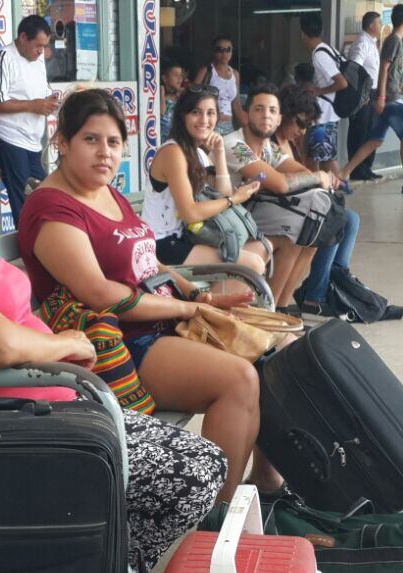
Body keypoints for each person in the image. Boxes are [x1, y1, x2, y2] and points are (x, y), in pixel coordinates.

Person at [0, 93, 225, 573]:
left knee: (203, 460)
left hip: (43, 405)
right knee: (195, 473)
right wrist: (68, 344)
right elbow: (0, 345)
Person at [19, 89, 283, 502]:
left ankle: (266, 485)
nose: (104, 152)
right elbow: (100, 293)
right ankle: (217, 521)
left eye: (113, 142)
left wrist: (191, 288)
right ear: (63, 142)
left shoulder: (105, 190)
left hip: (156, 321)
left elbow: (145, 260)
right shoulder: (53, 207)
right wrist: (189, 306)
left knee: (274, 354)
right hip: (117, 344)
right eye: (90, 139)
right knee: (238, 380)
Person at [145, 85, 269, 273]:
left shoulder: (198, 153)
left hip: (189, 236)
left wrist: (218, 154)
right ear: (182, 116)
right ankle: (214, 302)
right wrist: (234, 199)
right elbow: (191, 213)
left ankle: (220, 301)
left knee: (262, 248)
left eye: (210, 113)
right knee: (252, 265)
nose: (204, 120)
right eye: (196, 112)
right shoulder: (173, 152)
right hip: (163, 244)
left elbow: (222, 194)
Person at [222, 86, 325, 305]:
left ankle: (282, 307)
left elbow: (301, 173)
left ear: (279, 118)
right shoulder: (234, 145)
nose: (265, 115)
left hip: (248, 216)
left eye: (271, 110)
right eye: (259, 109)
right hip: (224, 222)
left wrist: (309, 177)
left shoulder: (269, 147)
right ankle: (272, 311)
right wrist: (318, 177)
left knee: (310, 234)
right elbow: (280, 184)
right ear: (247, 114)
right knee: (292, 236)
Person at [276, 85, 366, 317]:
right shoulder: (270, 143)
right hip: (276, 208)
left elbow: (301, 173)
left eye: (308, 125)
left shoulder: (291, 140)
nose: (303, 130)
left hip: (289, 203)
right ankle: (313, 295)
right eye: (300, 123)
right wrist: (317, 178)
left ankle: (334, 281)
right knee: (331, 220)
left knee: (347, 218)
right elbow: (282, 180)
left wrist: (320, 177)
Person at [339, 3, 403, 195]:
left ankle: (344, 173)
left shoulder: (393, 41)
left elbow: (390, 74)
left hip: (389, 96)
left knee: (375, 140)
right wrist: (381, 97)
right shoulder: (394, 41)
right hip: (390, 100)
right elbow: (384, 70)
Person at [0, 15, 56, 219]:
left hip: (34, 141)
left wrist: (50, 100)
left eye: (44, 46)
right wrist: (33, 105)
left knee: (44, 194)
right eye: (37, 45)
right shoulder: (2, 57)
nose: (41, 51)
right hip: (10, 138)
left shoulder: (38, 59)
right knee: (23, 201)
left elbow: (40, 91)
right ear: (23, 37)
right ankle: (27, 243)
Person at [300, 13, 349, 179]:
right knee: (326, 156)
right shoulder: (327, 49)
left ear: (303, 33)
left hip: (324, 115)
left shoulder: (319, 55)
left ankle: (327, 188)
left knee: (319, 158)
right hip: (329, 113)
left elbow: (342, 83)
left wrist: (318, 91)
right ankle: (336, 187)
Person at [346, 11, 382, 182]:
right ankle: (357, 170)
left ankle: (366, 168)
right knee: (359, 132)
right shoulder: (362, 43)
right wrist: (362, 93)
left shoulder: (372, 43)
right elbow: (354, 69)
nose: (381, 26)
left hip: (373, 92)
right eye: (379, 23)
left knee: (370, 131)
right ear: (371, 26)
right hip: (364, 94)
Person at [194, 35, 245, 134]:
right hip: (210, 124)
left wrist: (249, 129)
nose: (224, 53)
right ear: (213, 51)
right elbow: (193, 97)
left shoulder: (235, 74)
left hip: (229, 125)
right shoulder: (206, 71)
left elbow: (236, 104)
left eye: (228, 49)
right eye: (220, 49)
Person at [159, 54, 188, 142]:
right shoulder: (161, 94)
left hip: (175, 138)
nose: (180, 79)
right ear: (165, 78)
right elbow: (162, 112)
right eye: (176, 75)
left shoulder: (181, 95)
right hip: (161, 138)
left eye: (181, 76)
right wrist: (161, 93)